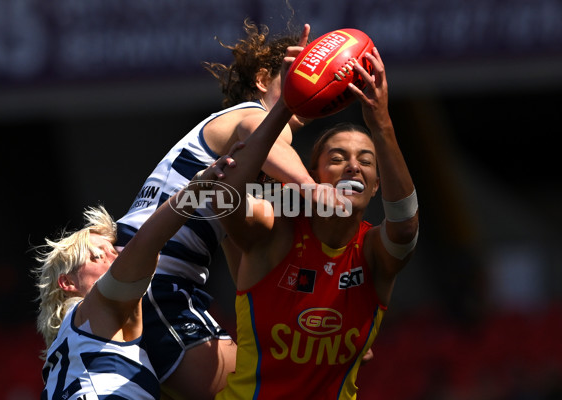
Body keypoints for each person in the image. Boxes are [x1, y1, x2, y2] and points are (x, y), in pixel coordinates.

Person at [113, 20, 315, 399]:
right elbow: (266, 137)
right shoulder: (254, 117)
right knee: (268, 385)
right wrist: (314, 191)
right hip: (156, 283)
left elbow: (240, 259)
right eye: (297, 76)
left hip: (146, 282)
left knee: (270, 375)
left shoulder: (240, 172)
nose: (309, 88)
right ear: (261, 80)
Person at [213, 46, 419, 399]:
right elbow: (226, 204)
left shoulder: (372, 253)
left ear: (374, 187)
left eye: (366, 162)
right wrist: (285, 107)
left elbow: (404, 227)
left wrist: (381, 123)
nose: (353, 166)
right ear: (313, 176)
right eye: (338, 158)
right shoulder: (276, 234)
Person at [33, 155, 237, 400]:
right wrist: (196, 187)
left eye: (115, 250)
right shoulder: (96, 306)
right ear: (68, 283)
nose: (116, 257)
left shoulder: (69, 349)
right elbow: (146, 243)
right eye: (99, 255)